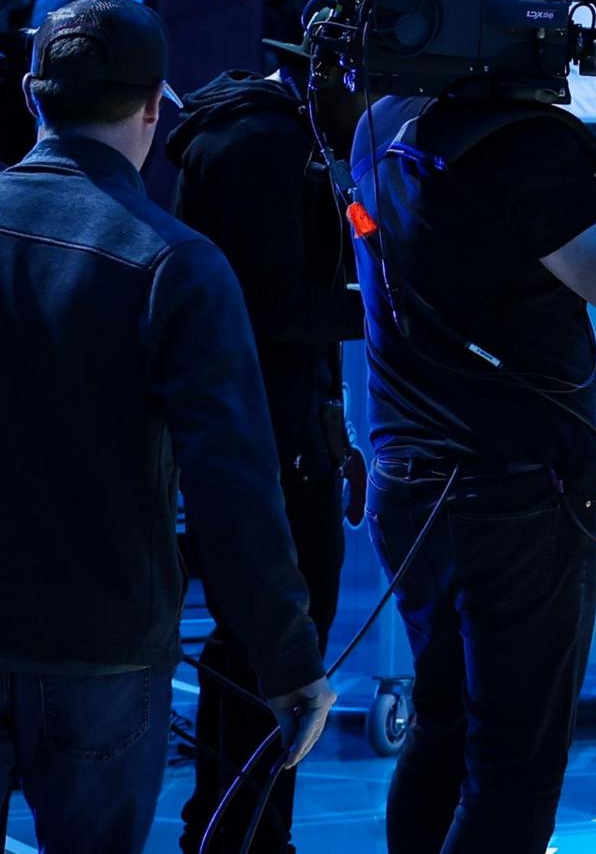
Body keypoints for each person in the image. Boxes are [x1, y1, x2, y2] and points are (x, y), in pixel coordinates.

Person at [0, 0, 332, 853]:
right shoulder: (176, 262)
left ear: (29, 90)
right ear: (156, 106)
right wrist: (289, 661)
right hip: (95, 648)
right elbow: (233, 485)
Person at [349, 0, 596, 854]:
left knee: (445, 727)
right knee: (513, 763)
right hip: (514, 493)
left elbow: (561, 240)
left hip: (412, 485)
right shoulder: (523, 144)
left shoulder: (381, 120)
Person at [166, 53, 370, 854]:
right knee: (271, 645)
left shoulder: (280, 137)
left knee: (263, 642)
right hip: (262, 441)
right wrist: (390, 306)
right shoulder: (263, 145)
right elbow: (265, 304)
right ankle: (242, 835)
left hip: (283, 433)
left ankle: (233, 828)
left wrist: (333, 430)